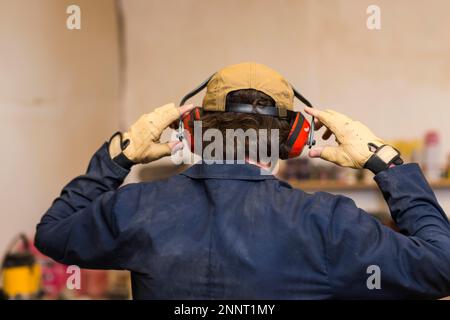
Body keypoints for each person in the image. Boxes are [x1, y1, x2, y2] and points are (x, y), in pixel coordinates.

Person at [35, 62, 450, 299]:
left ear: (195, 129)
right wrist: (387, 163)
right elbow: (441, 266)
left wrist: (117, 156)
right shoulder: (329, 223)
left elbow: (52, 234)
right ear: (293, 138)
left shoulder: (136, 209)